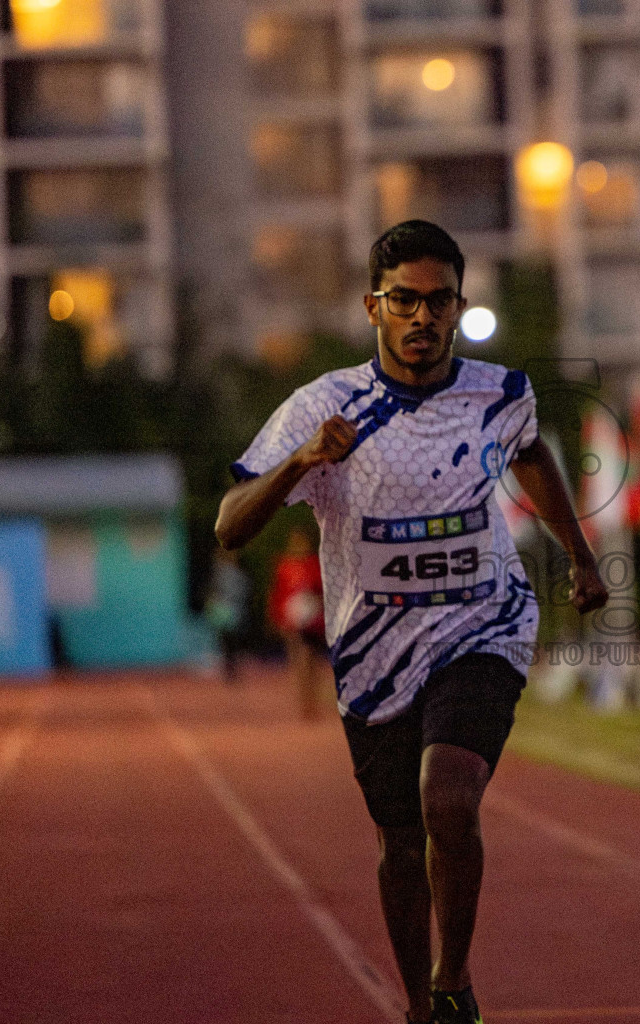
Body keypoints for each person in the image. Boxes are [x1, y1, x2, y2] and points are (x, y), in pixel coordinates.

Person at [215, 220, 607, 1024]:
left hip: (482, 628)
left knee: (448, 800)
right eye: (405, 301)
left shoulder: (499, 394)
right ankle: (418, 1005)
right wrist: (298, 462)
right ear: (374, 306)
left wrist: (579, 553)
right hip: (372, 654)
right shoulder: (322, 407)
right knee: (399, 839)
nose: (423, 317)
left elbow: (531, 450)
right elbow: (228, 528)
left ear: (460, 306)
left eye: (439, 301)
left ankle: (454, 977)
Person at [267, 526, 329, 716]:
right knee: (300, 658)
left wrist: (314, 605)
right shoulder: (284, 566)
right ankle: (305, 699)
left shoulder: (314, 565)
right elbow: (277, 593)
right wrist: (276, 618)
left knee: (312, 661)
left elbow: (324, 591)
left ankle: (312, 696)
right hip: (292, 622)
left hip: (314, 621)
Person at [204, 545, 251, 684]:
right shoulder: (219, 571)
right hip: (223, 611)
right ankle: (228, 668)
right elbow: (213, 591)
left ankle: (232, 668)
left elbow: (244, 591)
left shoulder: (237, 572)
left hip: (235, 611)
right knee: (225, 642)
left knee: (232, 642)